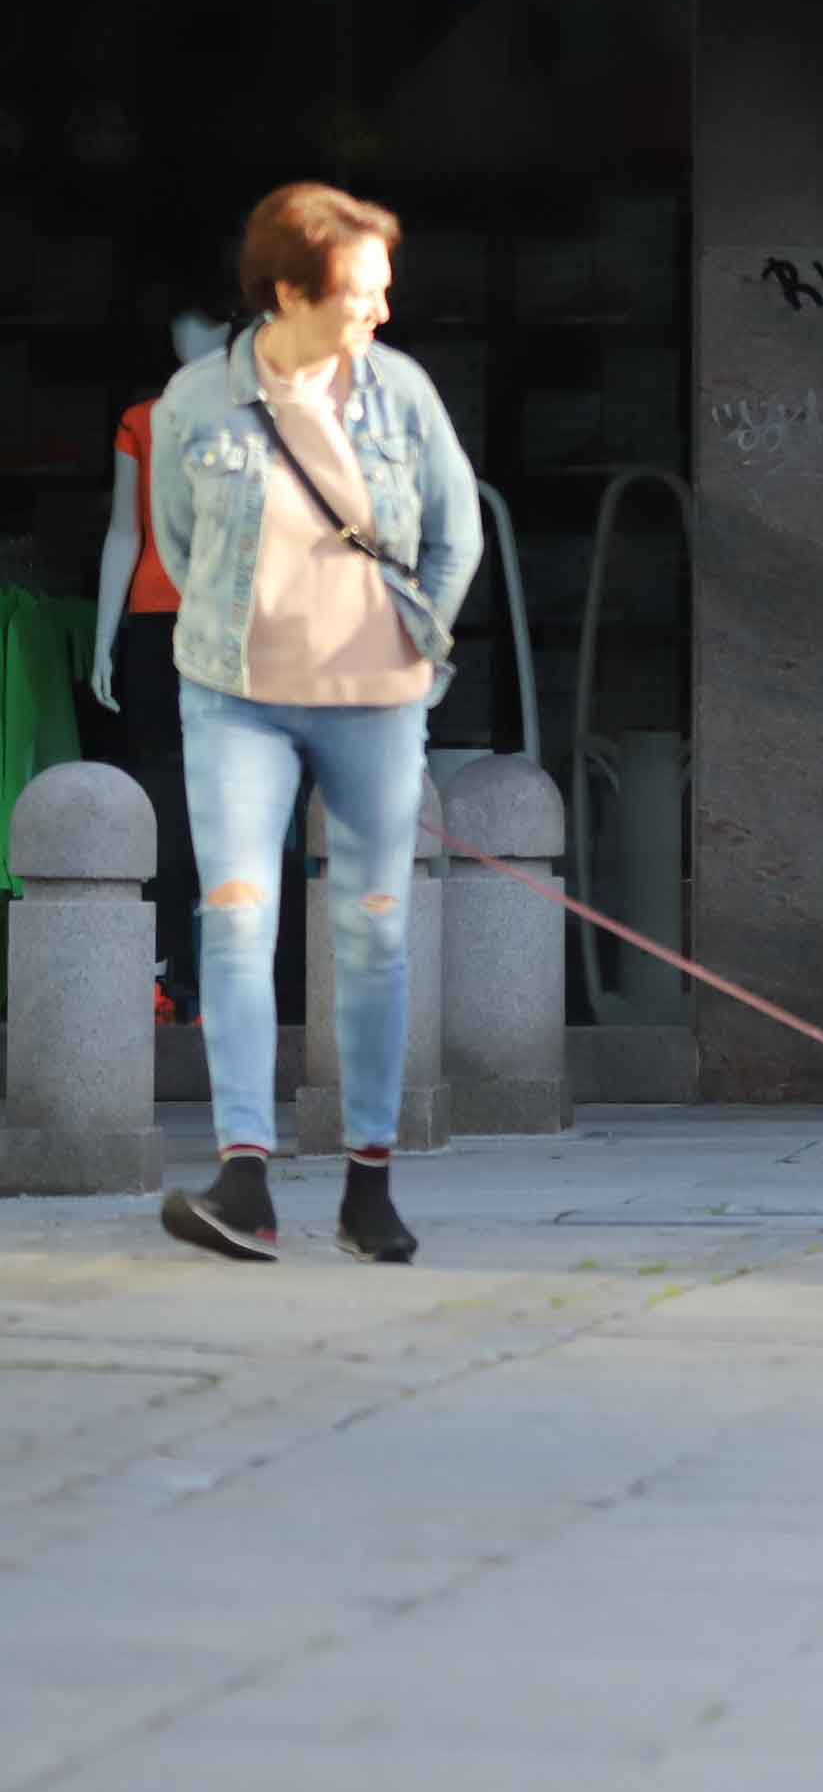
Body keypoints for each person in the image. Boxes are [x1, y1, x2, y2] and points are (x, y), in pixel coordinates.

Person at [149, 186, 486, 1268]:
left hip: (377, 699)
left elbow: (457, 533)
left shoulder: (402, 390)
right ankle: (243, 1177)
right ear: (291, 292)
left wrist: (417, 651)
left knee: (375, 932)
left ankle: (367, 1186)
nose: (382, 311)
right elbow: (179, 540)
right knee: (236, 921)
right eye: (361, 293)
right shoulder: (196, 401)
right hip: (234, 696)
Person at [92, 308, 231, 1026]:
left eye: (204, 322)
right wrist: (103, 638)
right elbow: (123, 532)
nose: (191, 337)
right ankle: (169, 974)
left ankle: (215, 976)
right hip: (153, 628)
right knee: (161, 800)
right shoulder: (140, 422)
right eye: (181, 323)